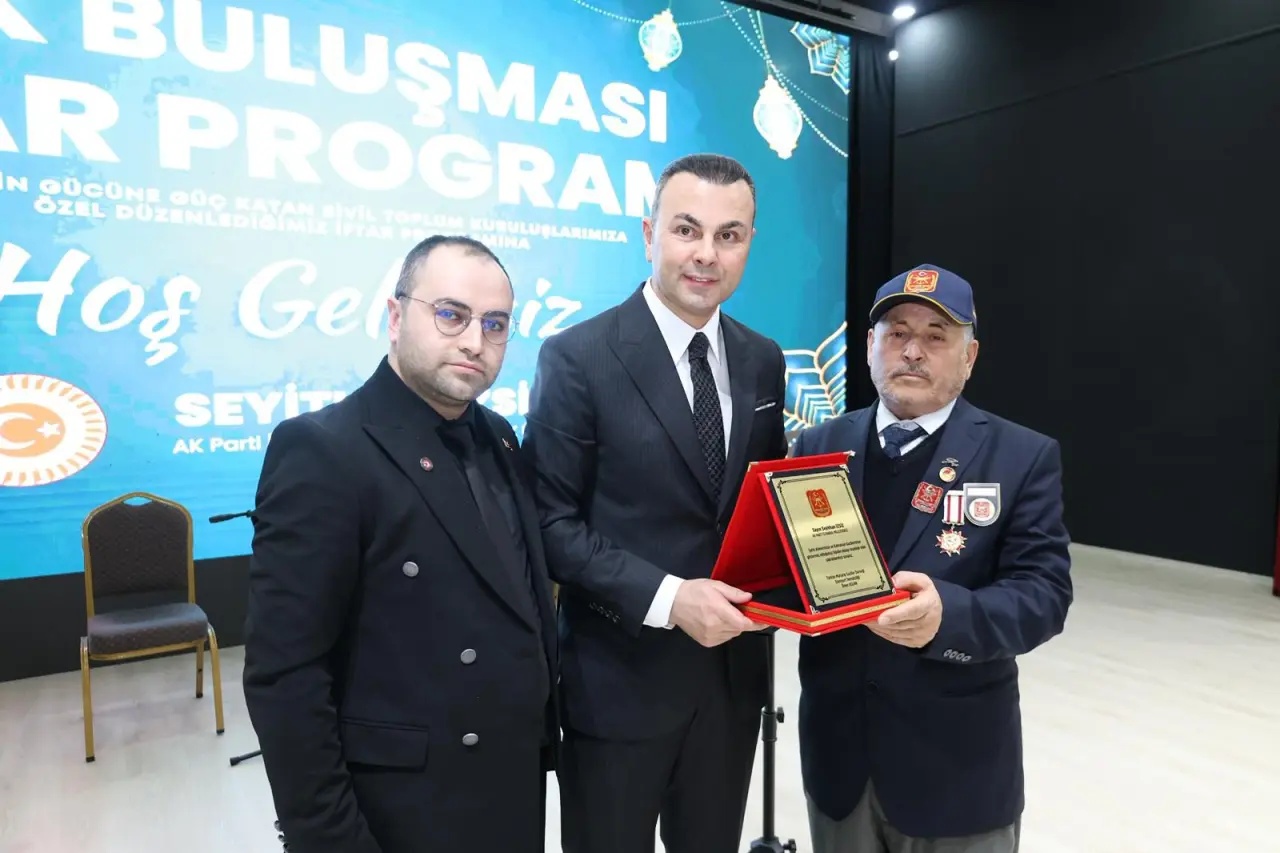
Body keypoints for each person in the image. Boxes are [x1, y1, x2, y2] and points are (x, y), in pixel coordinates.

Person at [241, 235, 559, 853]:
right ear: (394, 316)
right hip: (402, 809)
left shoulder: (500, 436)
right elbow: (286, 674)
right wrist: (331, 838)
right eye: (451, 314)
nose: (475, 341)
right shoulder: (324, 449)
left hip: (512, 788)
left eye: (495, 324)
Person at [523, 153, 789, 853]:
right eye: (686, 229)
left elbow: (762, 503)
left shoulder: (763, 359)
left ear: (749, 243)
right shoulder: (578, 356)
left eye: (729, 235)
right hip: (618, 683)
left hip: (732, 685)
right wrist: (671, 598)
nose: (706, 254)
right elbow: (549, 523)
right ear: (649, 234)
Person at [791, 264, 1073, 853]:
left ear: (970, 357)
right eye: (897, 333)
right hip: (840, 768)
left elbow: (1044, 597)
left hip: (958, 775)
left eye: (935, 336)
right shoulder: (817, 447)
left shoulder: (1021, 456)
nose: (913, 351)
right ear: (870, 347)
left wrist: (949, 615)